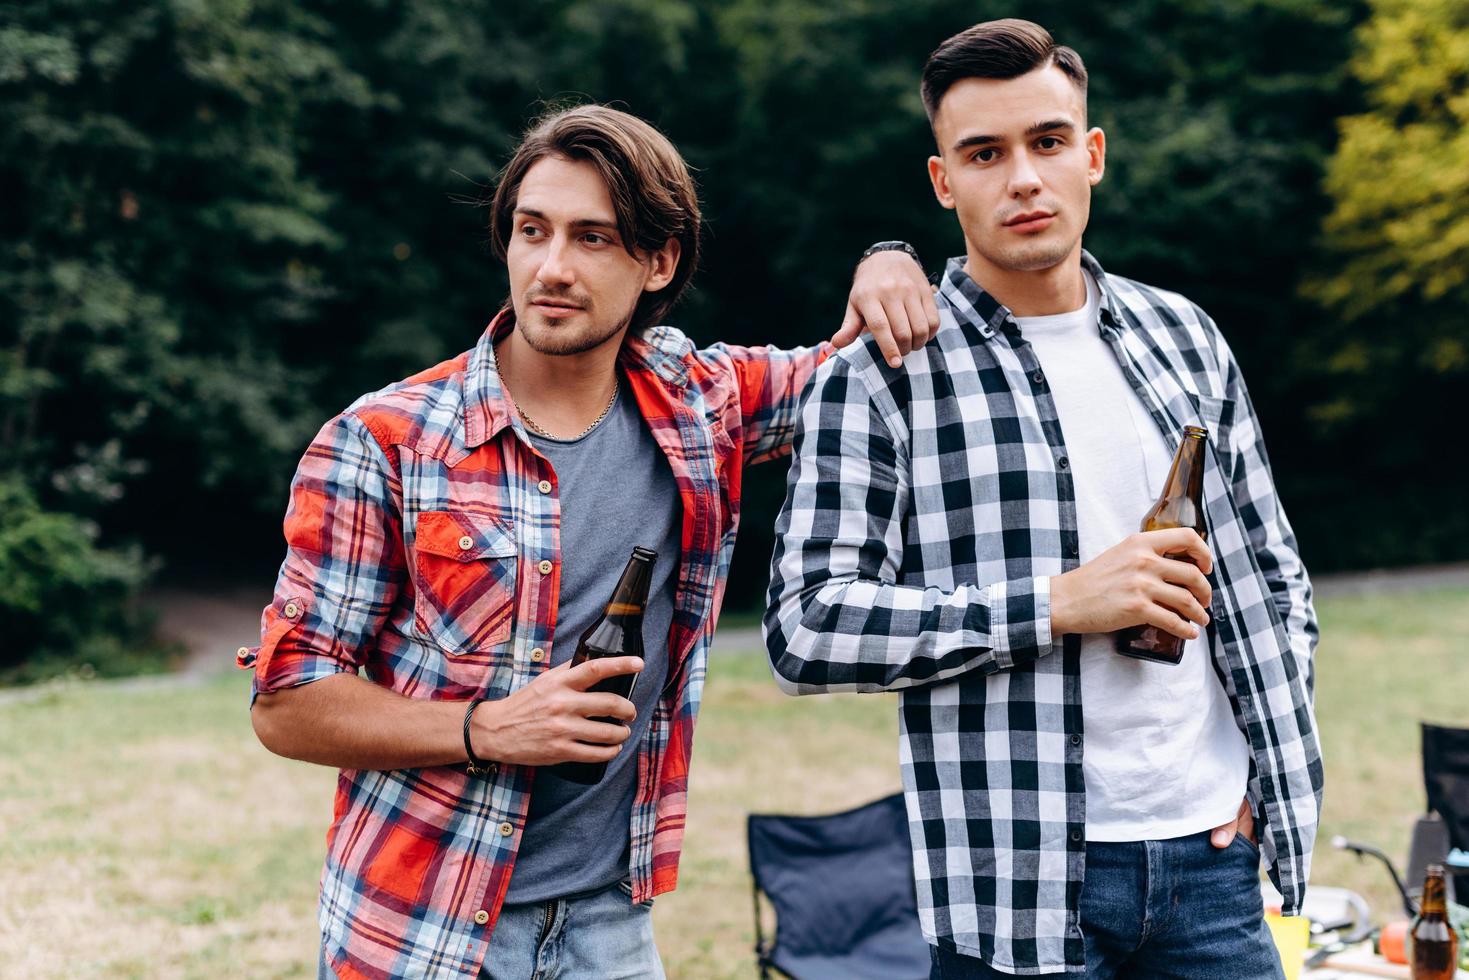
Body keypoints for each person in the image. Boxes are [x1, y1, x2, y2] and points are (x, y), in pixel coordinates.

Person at [238, 103, 936, 979]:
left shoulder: (700, 402)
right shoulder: (384, 441)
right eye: (533, 232)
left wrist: (890, 257)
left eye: (593, 239)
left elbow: (861, 363)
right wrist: (487, 728)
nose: (552, 267)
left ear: (658, 261)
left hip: (611, 924)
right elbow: (287, 703)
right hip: (422, 928)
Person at [765, 19, 1322, 978]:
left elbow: (1271, 577)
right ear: (944, 182)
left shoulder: (1185, 336)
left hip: (1213, 869)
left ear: (1091, 155)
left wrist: (1261, 778)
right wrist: (1058, 605)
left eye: (1047, 142)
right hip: (1013, 888)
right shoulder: (881, 376)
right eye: (984, 153)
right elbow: (804, 630)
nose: (1022, 177)